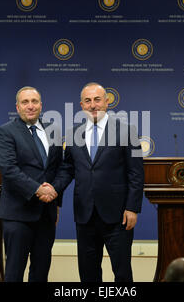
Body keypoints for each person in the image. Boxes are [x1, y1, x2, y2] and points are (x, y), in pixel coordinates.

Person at [52, 82, 144, 282]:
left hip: (118, 216)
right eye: (88, 101)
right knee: (88, 274)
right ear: (81, 105)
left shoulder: (129, 131)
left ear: (107, 102)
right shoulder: (73, 133)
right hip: (85, 216)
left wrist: (132, 208)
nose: (93, 105)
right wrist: (53, 190)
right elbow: (67, 169)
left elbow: (136, 173)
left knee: (122, 273)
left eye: (97, 99)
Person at [0, 86, 62, 282]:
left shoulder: (53, 130)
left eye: (34, 102)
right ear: (17, 107)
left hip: (46, 213)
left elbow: (59, 167)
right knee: (14, 273)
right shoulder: (6, 131)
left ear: (41, 105)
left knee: (41, 272)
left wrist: (56, 200)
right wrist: (37, 189)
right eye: (25, 102)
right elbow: (9, 169)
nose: (30, 106)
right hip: (18, 215)